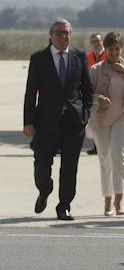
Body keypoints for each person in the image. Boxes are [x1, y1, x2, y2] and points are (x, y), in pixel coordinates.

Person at [23, 18, 93, 220]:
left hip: (73, 120)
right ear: (50, 35)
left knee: (70, 167)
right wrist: (28, 121)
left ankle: (64, 206)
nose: (63, 36)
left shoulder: (79, 56)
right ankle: (45, 189)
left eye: (66, 33)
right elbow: (30, 92)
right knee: (42, 163)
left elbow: (87, 88)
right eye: (59, 33)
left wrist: (85, 114)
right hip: (46, 121)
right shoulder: (39, 58)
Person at [88, 31, 124, 216]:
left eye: (117, 49)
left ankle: (119, 199)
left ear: (122, 49)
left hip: (123, 116)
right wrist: (98, 98)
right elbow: (85, 94)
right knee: (105, 157)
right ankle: (107, 199)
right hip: (101, 118)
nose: (114, 53)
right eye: (110, 49)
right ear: (105, 49)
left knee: (118, 154)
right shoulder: (96, 70)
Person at [86, 34, 107, 155]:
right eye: (93, 41)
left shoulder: (109, 55)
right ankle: (96, 145)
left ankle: (103, 145)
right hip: (93, 91)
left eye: (98, 41)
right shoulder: (88, 57)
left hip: (106, 91)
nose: (96, 43)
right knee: (94, 120)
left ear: (102, 42)